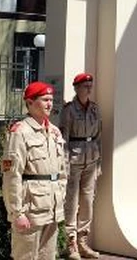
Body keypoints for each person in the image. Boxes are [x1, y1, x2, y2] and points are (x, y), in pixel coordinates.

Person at [2, 81, 67, 260]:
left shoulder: (53, 132)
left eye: (51, 100)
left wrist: (60, 197)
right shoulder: (20, 132)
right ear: (30, 102)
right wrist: (17, 213)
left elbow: (61, 171)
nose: (49, 104)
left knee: (48, 256)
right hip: (31, 210)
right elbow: (11, 176)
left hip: (51, 208)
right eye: (45, 99)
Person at [60, 73, 102, 259]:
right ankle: (71, 243)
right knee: (71, 201)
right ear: (76, 88)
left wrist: (99, 162)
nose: (89, 89)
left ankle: (83, 241)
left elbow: (99, 137)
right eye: (85, 86)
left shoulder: (94, 109)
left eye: (90, 86)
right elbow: (64, 138)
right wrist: (64, 163)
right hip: (74, 160)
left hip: (91, 158)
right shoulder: (69, 110)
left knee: (87, 201)